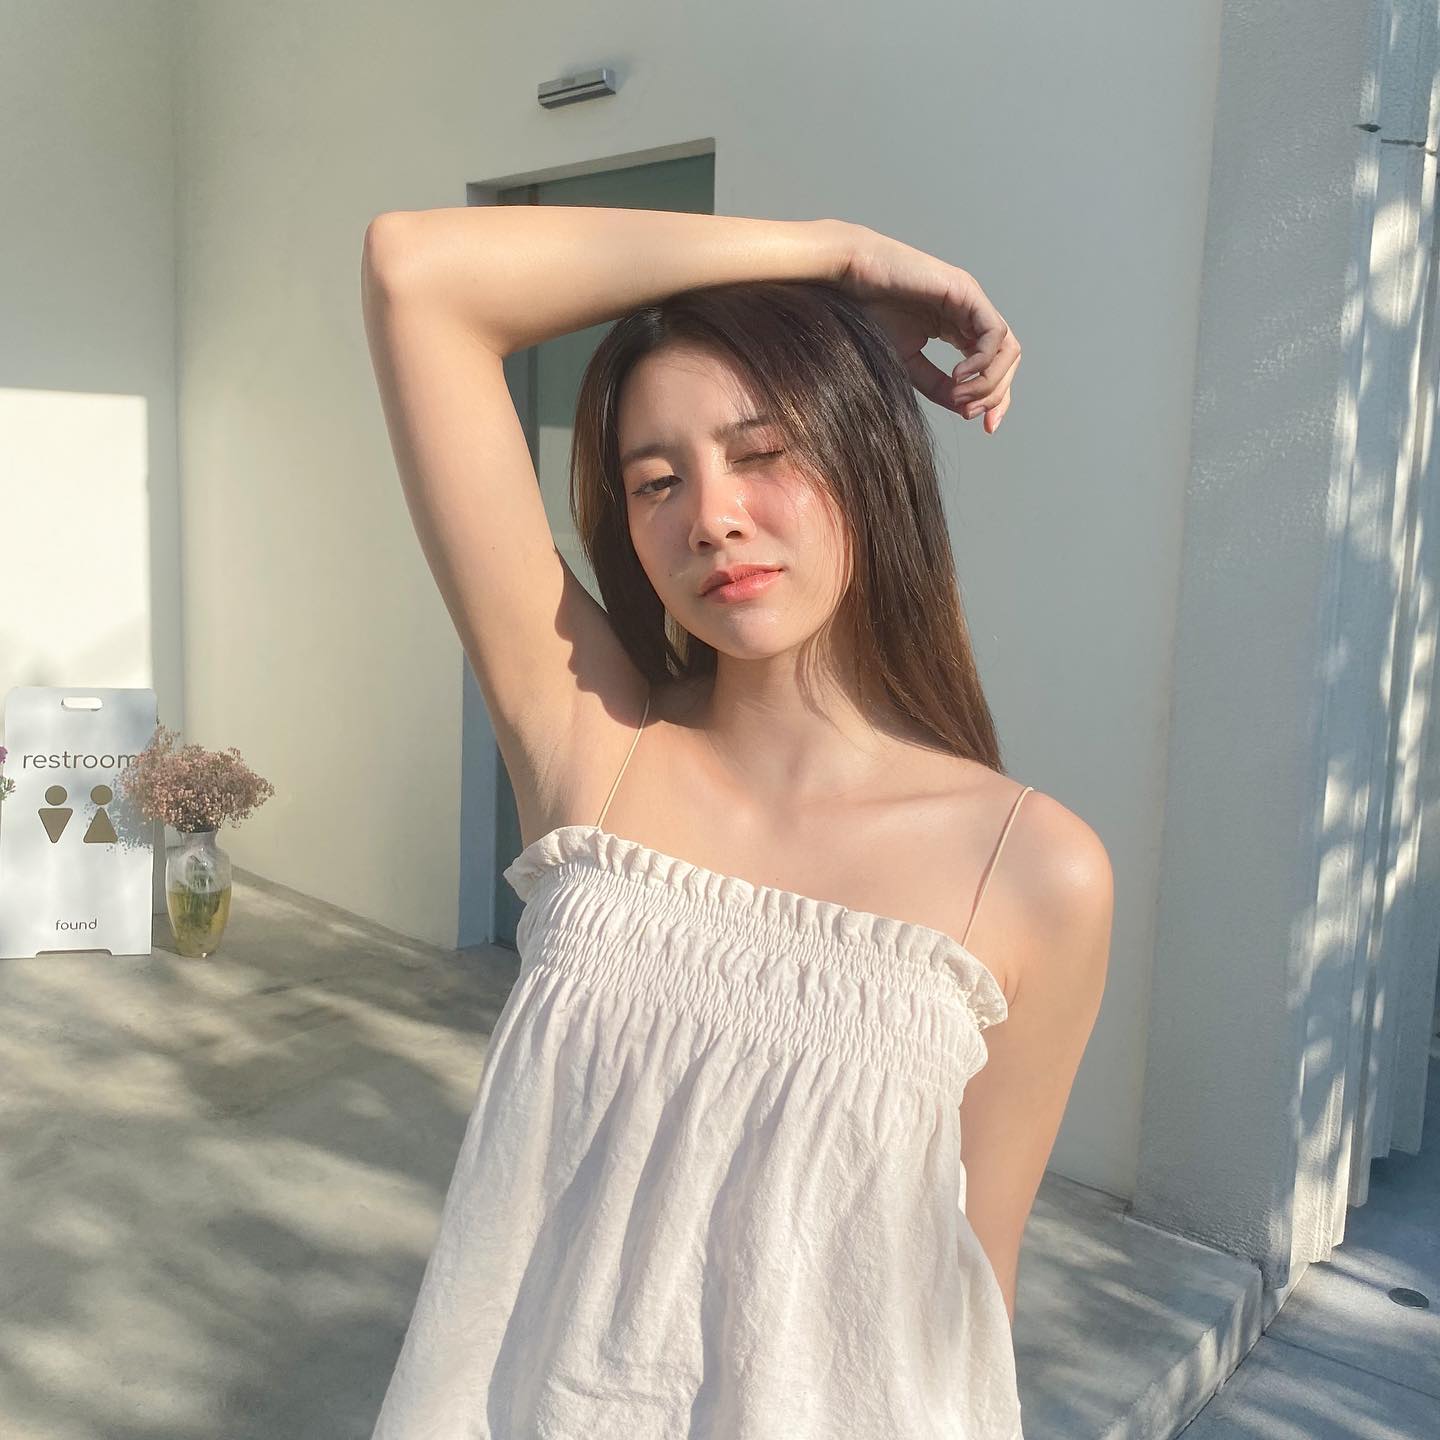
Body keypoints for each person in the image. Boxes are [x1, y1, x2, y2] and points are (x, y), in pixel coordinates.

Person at [359, 206, 1113, 1439]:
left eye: (764, 452)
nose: (710, 516)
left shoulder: (1033, 870)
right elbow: (418, 275)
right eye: (657, 481)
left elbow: (970, 1293)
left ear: (868, 461)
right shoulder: (595, 749)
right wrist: (838, 252)